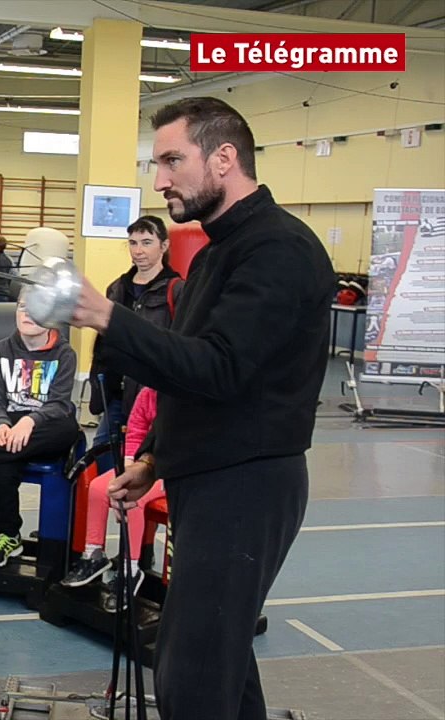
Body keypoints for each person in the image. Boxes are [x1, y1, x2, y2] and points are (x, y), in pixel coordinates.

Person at [70, 96, 334, 720]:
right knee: (222, 665)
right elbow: (186, 374)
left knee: (190, 677)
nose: (159, 180)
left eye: (171, 161)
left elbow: (222, 368)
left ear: (223, 157)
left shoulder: (278, 250)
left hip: (246, 484)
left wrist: (109, 317)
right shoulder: (216, 251)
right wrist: (156, 456)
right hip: (208, 476)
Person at [0, 296, 80, 568]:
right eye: (23, 307)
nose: (28, 313)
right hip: (9, 427)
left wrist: (30, 422)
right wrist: (1, 425)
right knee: (5, 464)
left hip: (45, 427)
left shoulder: (65, 354)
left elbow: (58, 403)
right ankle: (10, 536)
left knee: (67, 427)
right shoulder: (1, 350)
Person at [88, 215, 185, 472]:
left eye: (146, 242)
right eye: (132, 243)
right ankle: (115, 511)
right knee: (104, 456)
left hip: (152, 397)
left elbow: (180, 346)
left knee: (144, 463)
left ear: (163, 246)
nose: (138, 251)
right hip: (115, 393)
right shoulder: (116, 289)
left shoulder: (177, 291)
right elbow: (102, 341)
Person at [62, 386, 165, 605]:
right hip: (140, 465)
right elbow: (136, 430)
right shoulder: (147, 393)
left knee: (132, 499)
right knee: (99, 487)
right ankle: (93, 555)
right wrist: (129, 465)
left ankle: (131, 568)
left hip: (168, 471)